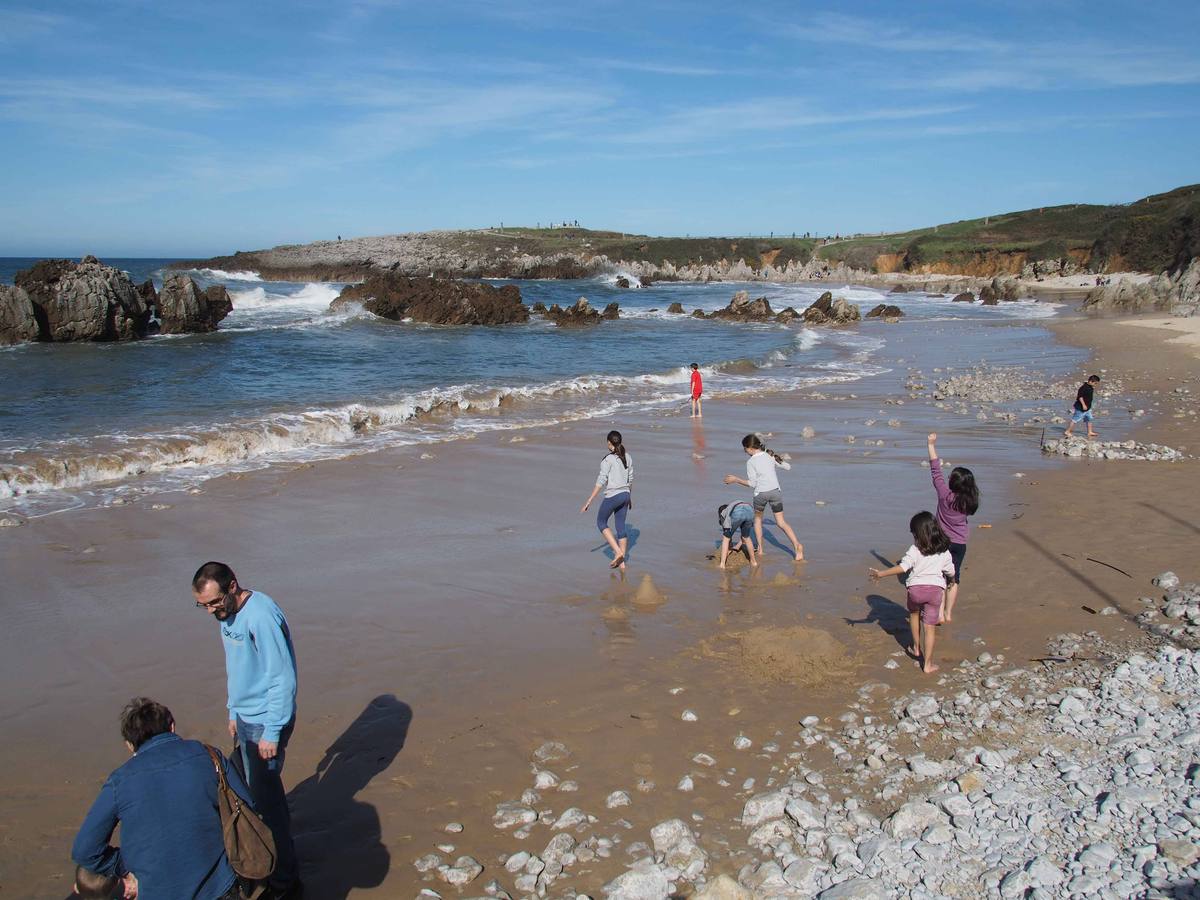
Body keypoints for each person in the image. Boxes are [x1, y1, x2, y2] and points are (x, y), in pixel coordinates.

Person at [193, 561, 301, 898]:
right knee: (239, 790)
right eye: (203, 605)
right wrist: (232, 710)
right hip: (245, 718)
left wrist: (271, 731)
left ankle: (285, 881)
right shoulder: (225, 617)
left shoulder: (262, 616)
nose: (211, 610)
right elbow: (236, 668)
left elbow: (282, 677)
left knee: (268, 804)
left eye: (214, 602)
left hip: (266, 721)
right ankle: (254, 858)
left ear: (233, 587)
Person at [71, 698, 250, 900]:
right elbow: (247, 807)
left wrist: (124, 866)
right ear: (172, 726)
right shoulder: (209, 756)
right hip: (218, 887)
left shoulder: (119, 782)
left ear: (129, 745)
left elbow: (85, 851)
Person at [869, 511, 955, 674]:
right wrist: (951, 579)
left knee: (914, 614)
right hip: (935, 592)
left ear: (917, 534)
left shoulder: (915, 549)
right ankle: (928, 665)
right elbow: (950, 571)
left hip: (915, 590)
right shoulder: (944, 551)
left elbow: (903, 567)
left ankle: (916, 647)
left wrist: (881, 573)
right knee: (930, 627)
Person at [723, 434, 804, 561]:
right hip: (775, 492)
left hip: (761, 495)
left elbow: (752, 484)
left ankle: (760, 549)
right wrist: (775, 458)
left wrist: (736, 479)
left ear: (750, 448)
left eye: (745, 449)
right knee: (781, 522)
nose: (745, 452)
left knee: (758, 521)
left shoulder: (751, 462)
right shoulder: (769, 455)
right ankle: (797, 545)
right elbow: (788, 467)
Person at [926, 433, 979, 623]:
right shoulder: (970, 501)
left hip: (942, 543)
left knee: (940, 577)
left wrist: (931, 444)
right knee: (954, 578)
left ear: (951, 483)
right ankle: (948, 614)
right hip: (960, 544)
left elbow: (935, 469)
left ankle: (939, 613)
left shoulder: (944, 494)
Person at [581, 430, 633, 569]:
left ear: (609, 443)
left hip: (613, 496)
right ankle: (622, 565)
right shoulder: (628, 457)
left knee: (601, 522)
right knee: (620, 527)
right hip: (625, 495)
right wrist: (629, 497)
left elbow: (601, 481)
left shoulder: (607, 460)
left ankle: (618, 552)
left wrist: (589, 500)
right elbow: (630, 479)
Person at [717, 501, 758, 569]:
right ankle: (753, 562)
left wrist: (729, 548)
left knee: (726, 538)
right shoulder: (731, 508)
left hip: (738, 511)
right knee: (746, 537)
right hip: (750, 510)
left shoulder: (723, 513)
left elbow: (726, 533)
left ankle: (722, 565)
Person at [1064, 374, 1101, 439]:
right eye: (1095, 383)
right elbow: (1080, 397)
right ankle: (1067, 431)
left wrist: (1088, 406)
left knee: (1089, 419)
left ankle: (1090, 432)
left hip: (1088, 408)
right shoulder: (1083, 388)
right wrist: (1083, 405)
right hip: (1081, 408)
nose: (1095, 385)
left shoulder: (1090, 387)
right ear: (1090, 381)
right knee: (1075, 420)